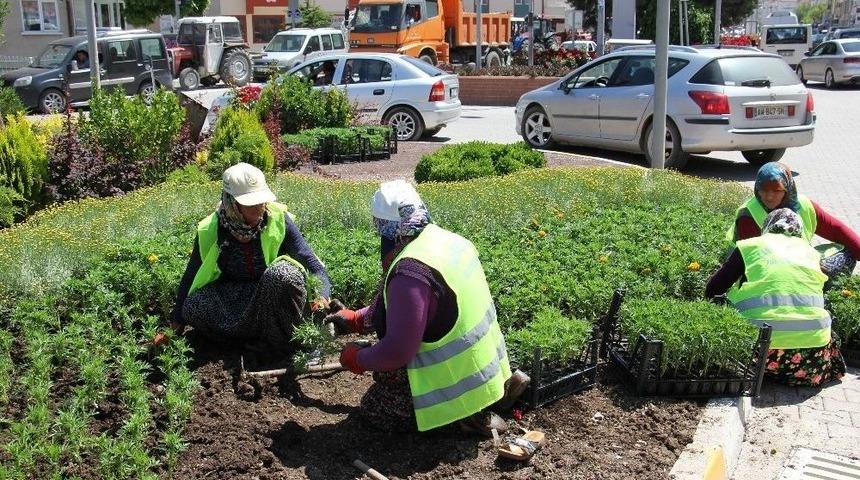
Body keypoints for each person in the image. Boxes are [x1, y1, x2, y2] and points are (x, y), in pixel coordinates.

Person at [325, 180, 529, 433]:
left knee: (375, 410)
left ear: (383, 227)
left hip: (450, 389)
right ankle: (483, 405)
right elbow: (422, 311)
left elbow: (397, 351)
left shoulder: (410, 272)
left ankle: (454, 421)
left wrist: (358, 358)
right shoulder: (450, 242)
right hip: (484, 378)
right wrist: (358, 318)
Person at [167, 163, 332, 354]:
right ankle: (250, 340)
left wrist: (323, 294)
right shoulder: (211, 229)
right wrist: (176, 322)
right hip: (238, 300)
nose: (259, 208)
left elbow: (311, 263)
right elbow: (191, 274)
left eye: (261, 201)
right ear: (232, 203)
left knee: (283, 274)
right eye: (251, 203)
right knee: (193, 306)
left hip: (276, 297)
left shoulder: (277, 218)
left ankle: (290, 340)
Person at [707, 208, 846, 387]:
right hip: (810, 359)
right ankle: (798, 373)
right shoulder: (812, 254)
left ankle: (761, 373)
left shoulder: (750, 246)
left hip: (755, 353)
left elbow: (712, 290)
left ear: (768, 226)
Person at [726, 161, 860, 280]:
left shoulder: (805, 205)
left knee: (847, 253)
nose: (769, 197)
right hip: (759, 269)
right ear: (757, 190)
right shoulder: (749, 215)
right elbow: (753, 260)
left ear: (788, 188)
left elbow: (838, 231)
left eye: (777, 190)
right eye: (763, 190)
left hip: (795, 262)